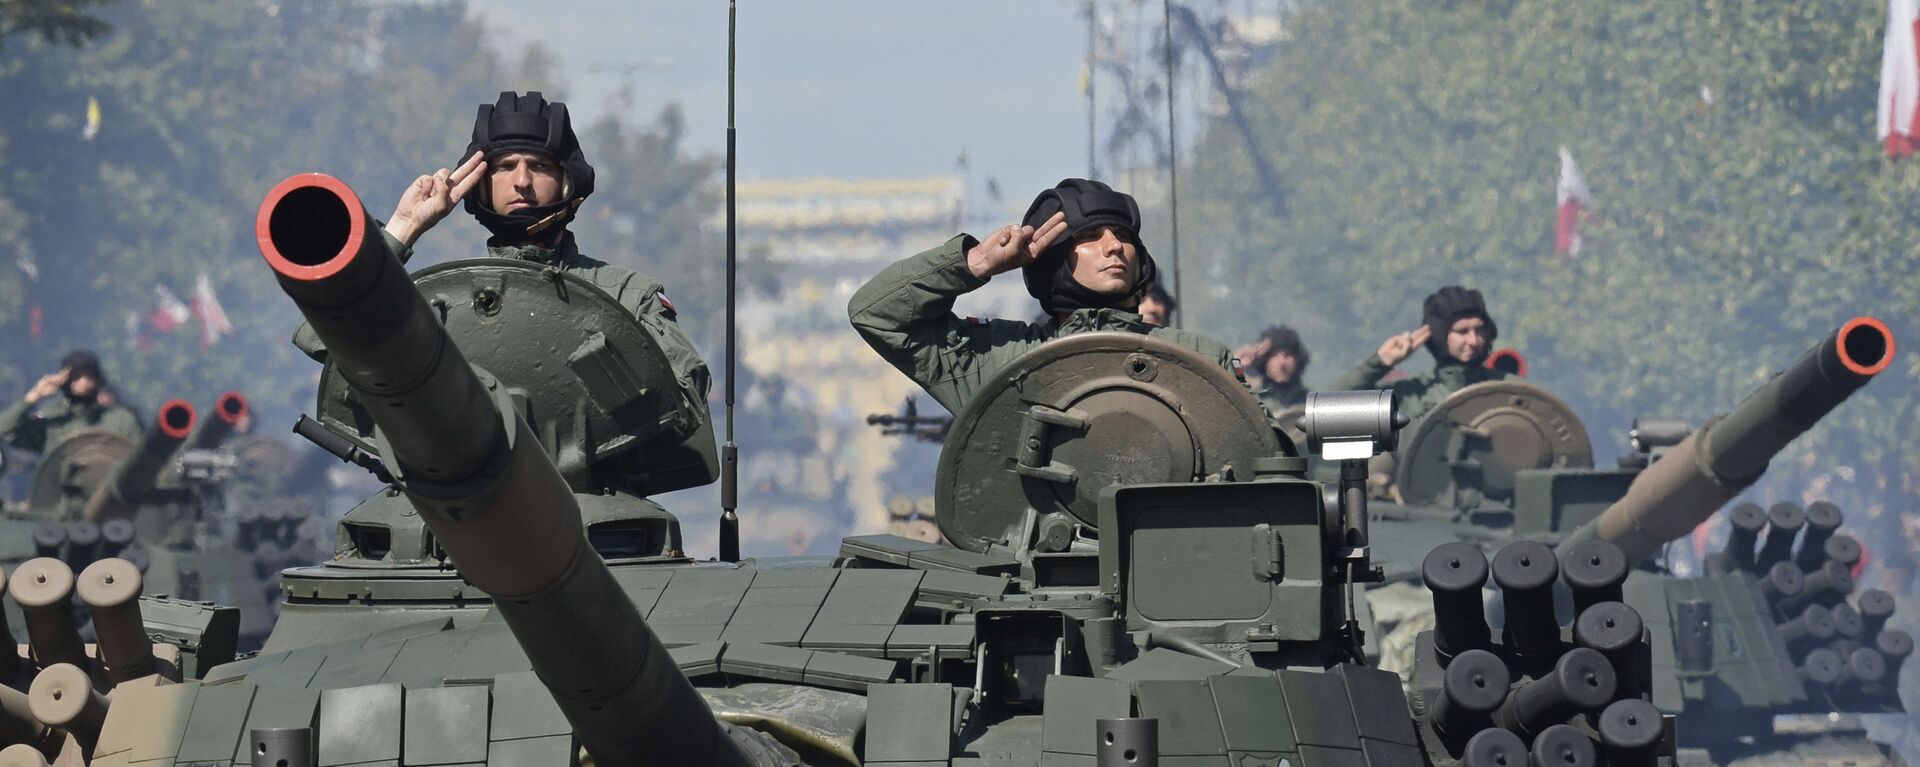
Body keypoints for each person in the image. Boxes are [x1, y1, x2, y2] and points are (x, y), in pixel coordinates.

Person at [295, 91, 711, 429]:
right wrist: (404, 228)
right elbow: (323, 338)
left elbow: (685, 406)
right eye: (505, 166)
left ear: (568, 181)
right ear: (478, 183)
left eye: (540, 166)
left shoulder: (623, 297)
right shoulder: (442, 302)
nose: (522, 181)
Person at [849, 178, 1239, 413]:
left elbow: (1263, 456)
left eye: (1123, 236)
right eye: (1089, 238)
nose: (1115, 247)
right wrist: (977, 262)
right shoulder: (999, 363)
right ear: (1053, 262)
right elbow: (877, 314)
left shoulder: (1199, 360)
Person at [1331, 285, 1509, 422]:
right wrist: (1379, 363)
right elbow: (1330, 406)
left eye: (1479, 330)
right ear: (1441, 335)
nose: (1474, 340)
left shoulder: (1507, 390)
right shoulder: (1411, 396)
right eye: (1462, 332)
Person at [0, 349, 140, 452]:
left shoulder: (120, 421)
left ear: (98, 380)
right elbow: (4, 429)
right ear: (65, 379)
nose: (83, 381)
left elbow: (138, 464)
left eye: (89, 376)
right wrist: (34, 396)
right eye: (76, 375)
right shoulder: (52, 422)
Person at [1241, 325, 1311, 410]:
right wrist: (1237, 363)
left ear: (1297, 361)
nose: (1282, 362)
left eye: (1287, 355)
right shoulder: (1253, 397)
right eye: (1274, 355)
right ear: (1265, 361)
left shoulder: (1309, 403)